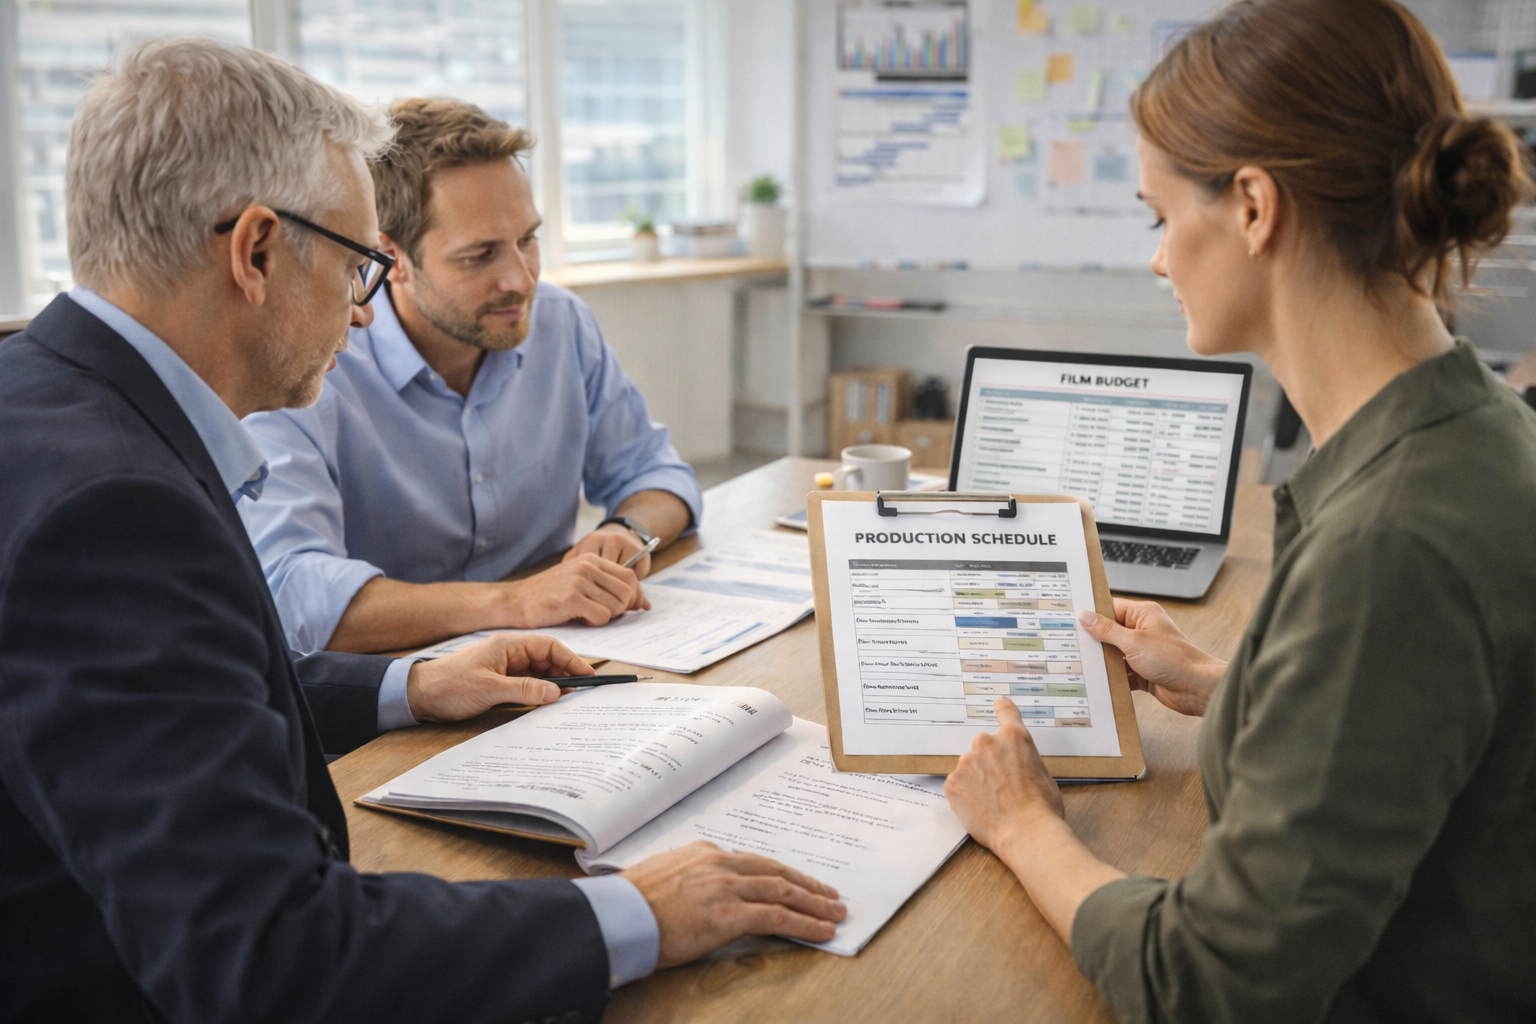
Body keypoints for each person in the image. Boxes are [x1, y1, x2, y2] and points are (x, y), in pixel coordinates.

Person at [0, 38, 843, 1022]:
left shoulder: (49, 400)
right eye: (361, 265)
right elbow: (275, 961)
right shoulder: (113, 512)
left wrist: (412, 683)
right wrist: (629, 913)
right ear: (257, 250)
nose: (364, 315)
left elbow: (179, 686)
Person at [941, 1, 1536, 1021]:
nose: (1158, 258)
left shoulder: (1393, 544)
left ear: (1255, 207)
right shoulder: (1478, 429)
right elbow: (1414, 724)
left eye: (1161, 216)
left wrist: (1025, 825)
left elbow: (1211, 983)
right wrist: (1235, 683)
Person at [239, 98, 701, 655]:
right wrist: (517, 603)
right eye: (479, 255)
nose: (521, 278)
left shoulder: (560, 322)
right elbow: (295, 594)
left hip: (553, 658)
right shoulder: (310, 367)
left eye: (527, 239)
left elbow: (657, 472)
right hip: (391, 694)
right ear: (392, 256)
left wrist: (625, 531)